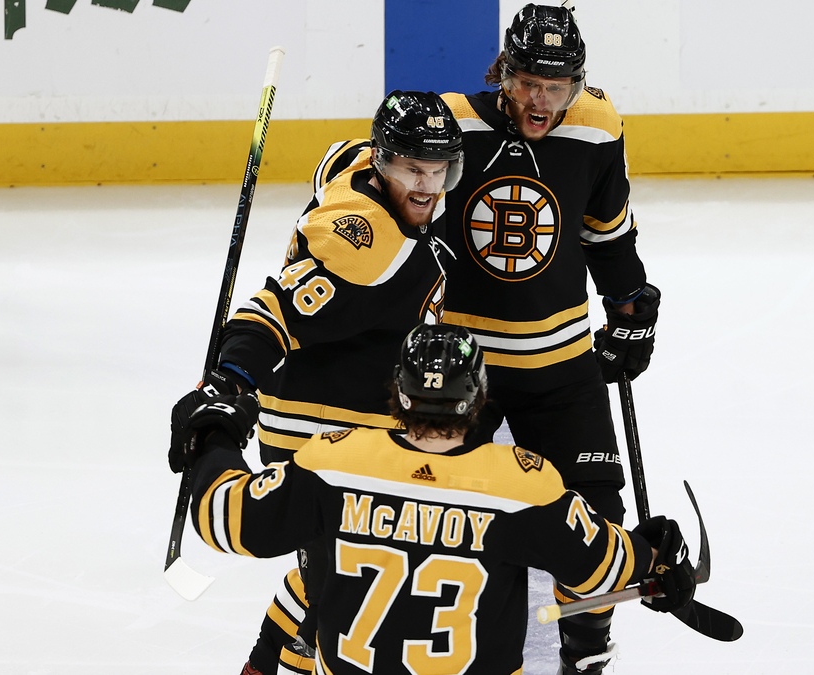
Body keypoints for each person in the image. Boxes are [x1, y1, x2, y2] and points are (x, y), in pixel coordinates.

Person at [170, 324, 696, 675]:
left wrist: (216, 435)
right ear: (479, 395)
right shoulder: (522, 484)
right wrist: (656, 557)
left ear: (399, 390)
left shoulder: (333, 461)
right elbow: (605, 570)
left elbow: (222, 516)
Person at [168, 91, 464, 674]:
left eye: (439, 170)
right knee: (352, 574)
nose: (428, 186)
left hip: (363, 402)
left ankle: (267, 659)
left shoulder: (355, 162)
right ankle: (292, 657)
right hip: (324, 420)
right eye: (413, 169)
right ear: (383, 162)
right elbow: (274, 310)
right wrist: (230, 382)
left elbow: (333, 158)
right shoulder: (368, 244)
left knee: (341, 569)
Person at [437, 5, 659, 672]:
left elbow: (606, 232)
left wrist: (631, 305)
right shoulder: (454, 124)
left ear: (577, 85)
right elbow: (395, 209)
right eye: (528, 83)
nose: (540, 101)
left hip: (561, 365)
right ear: (504, 73)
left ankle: (585, 651)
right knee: (442, 514)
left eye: (555, 88)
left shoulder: (597, 125)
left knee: (599, 519)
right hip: (463, 368)